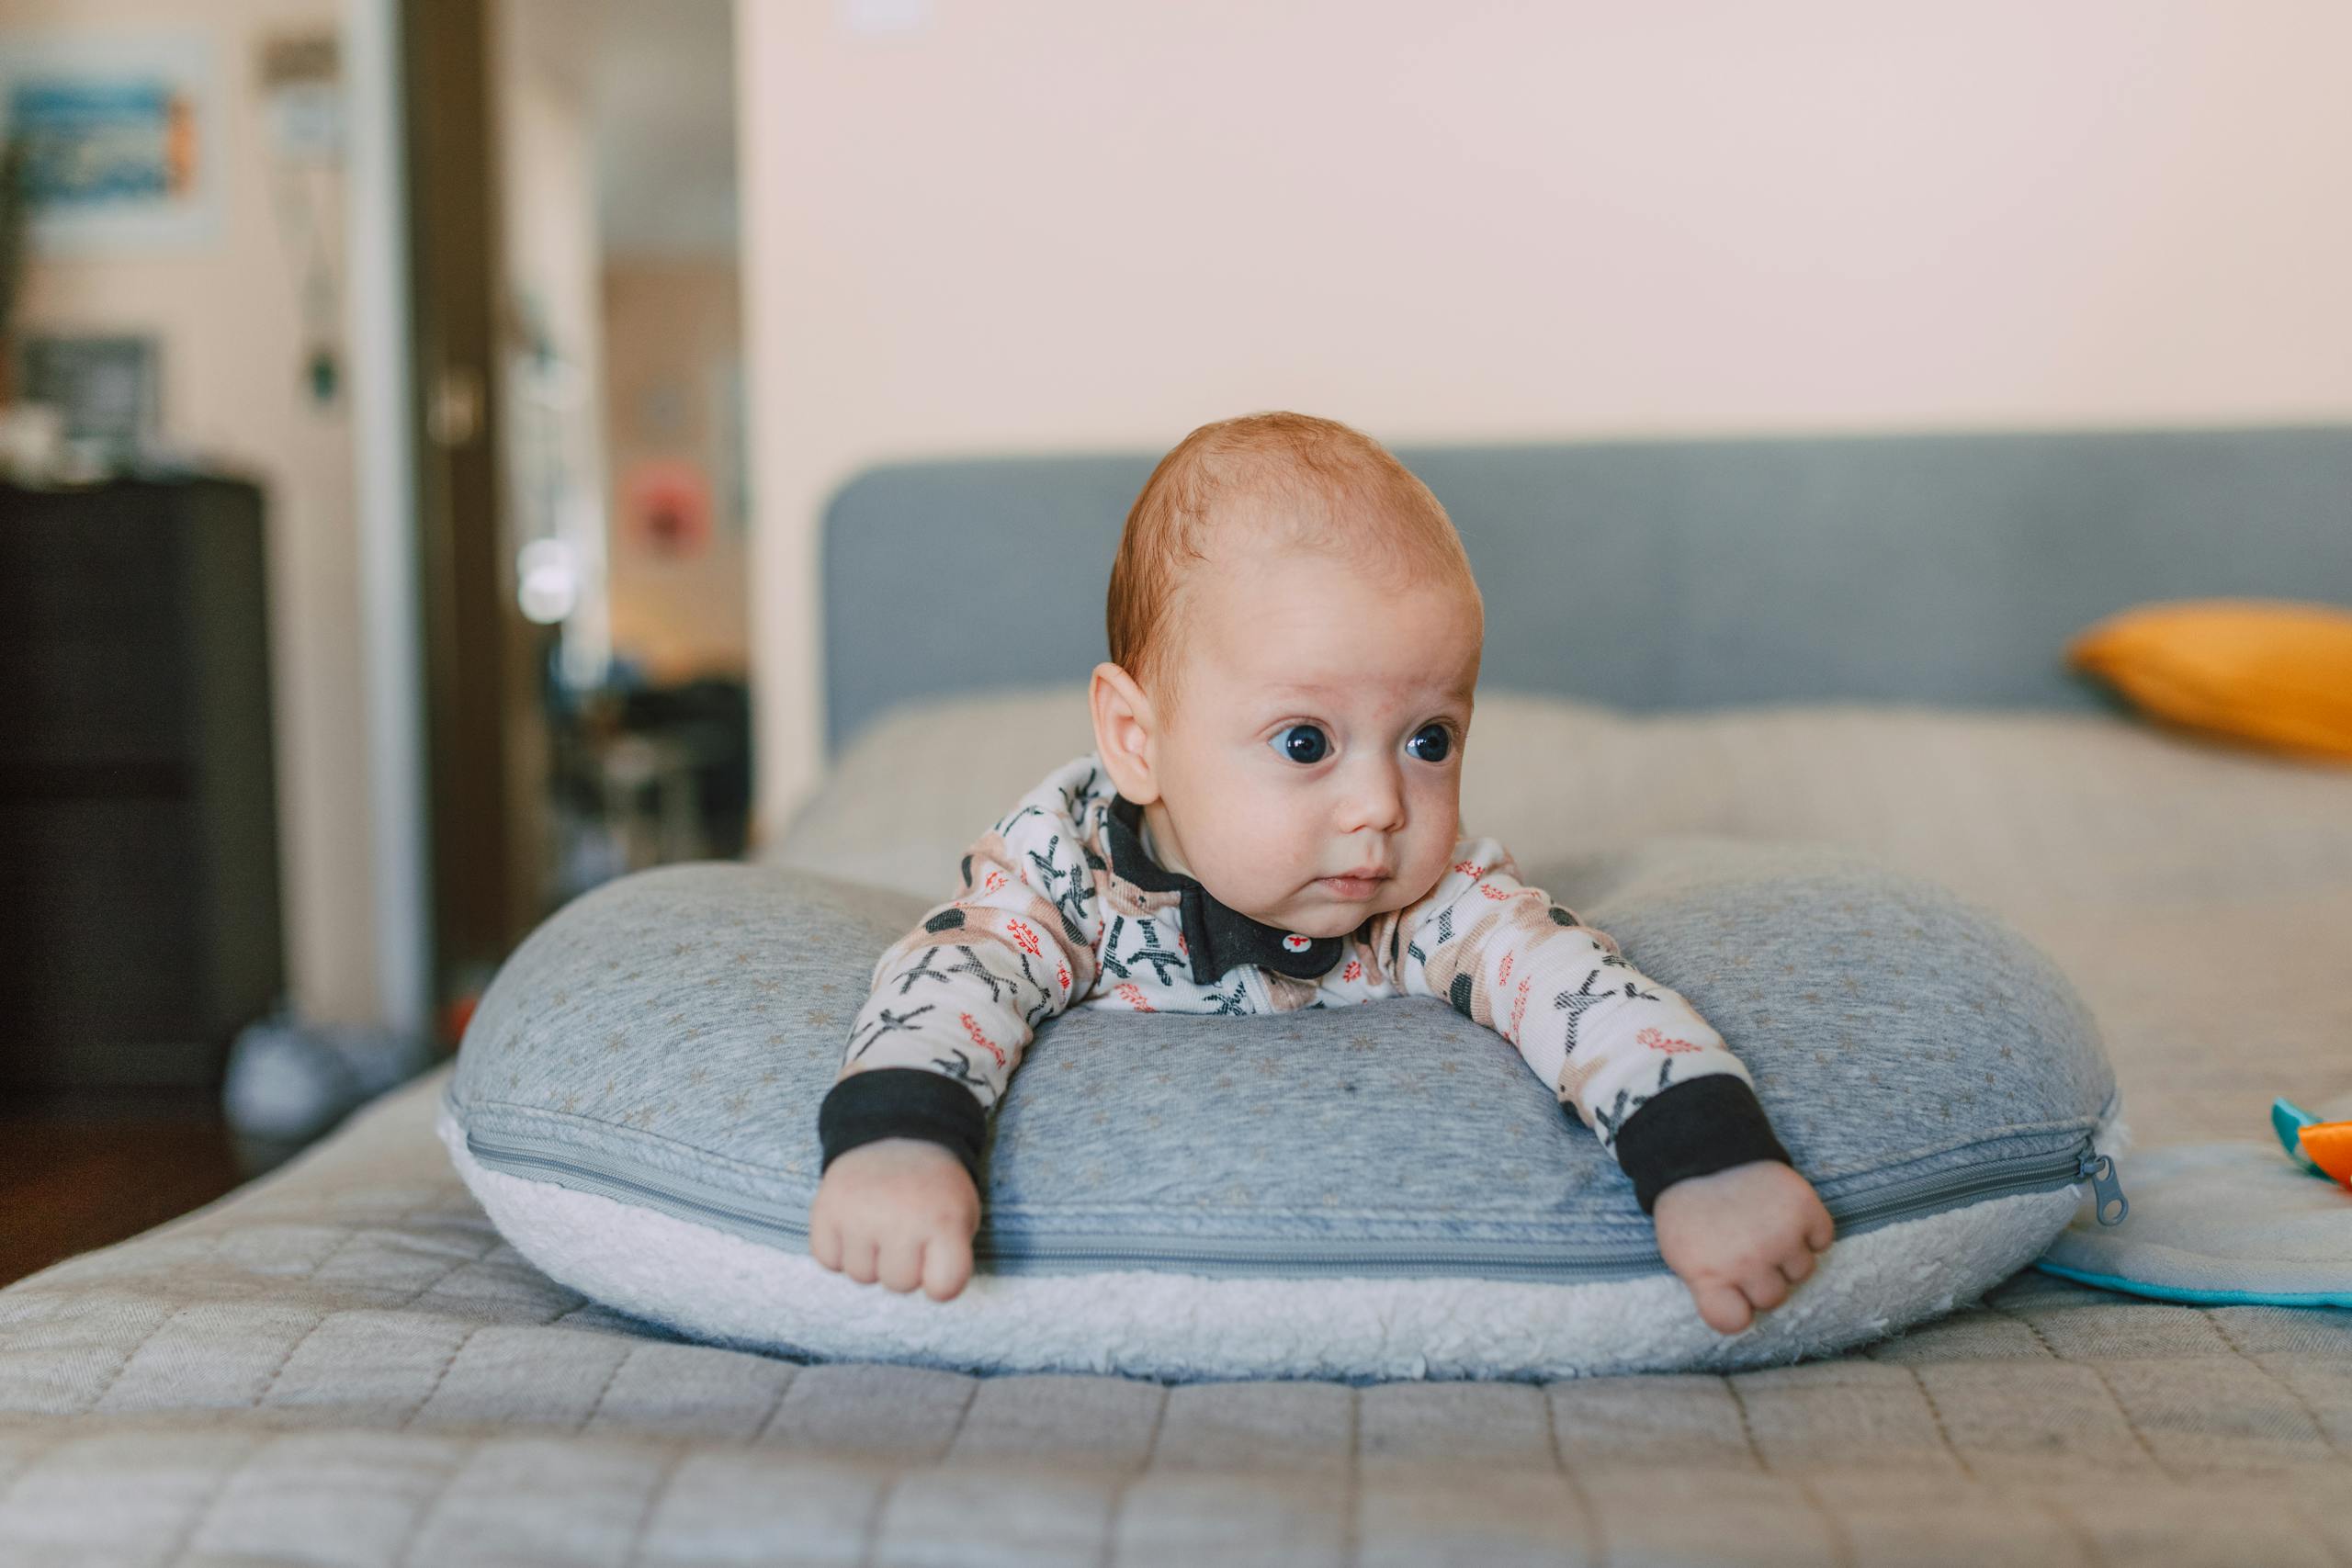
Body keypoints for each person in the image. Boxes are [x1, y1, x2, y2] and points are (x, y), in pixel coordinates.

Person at [810, 412, 1833, 1331]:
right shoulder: (1060, 876)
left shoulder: (1433, 900)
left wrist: (1705, 1158)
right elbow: (952, 982)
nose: (1382, 806)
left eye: (1429, 740)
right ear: (1137, 740)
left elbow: (1578, 989)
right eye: (1305, 742)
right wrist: (901, 1139)